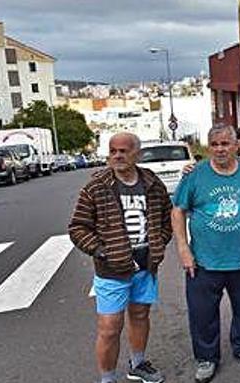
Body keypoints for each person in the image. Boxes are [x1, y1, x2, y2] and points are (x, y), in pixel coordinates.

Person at [69, 132, 172, 383]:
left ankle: (137, 364)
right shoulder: (96, 185)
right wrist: (101, 251)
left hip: (146, 265)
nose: (117, 156)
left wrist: (158, 244)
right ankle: (107, 379)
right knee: (110, 327)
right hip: (111, 269)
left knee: (140, 316)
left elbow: (167, 218)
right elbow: (78, 227)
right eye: (113, 151)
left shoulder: (151, 182)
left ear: (136, 153)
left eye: (123, 151)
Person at [171, 125, 240, 383]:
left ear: (237, 145)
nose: (220, 149)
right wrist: (183, 249)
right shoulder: (195, 176)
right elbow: (178, 211)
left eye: (225, 143)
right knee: (202, 313)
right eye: (214, 144)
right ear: (209, 147)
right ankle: (206, 357)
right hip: (204, 260)